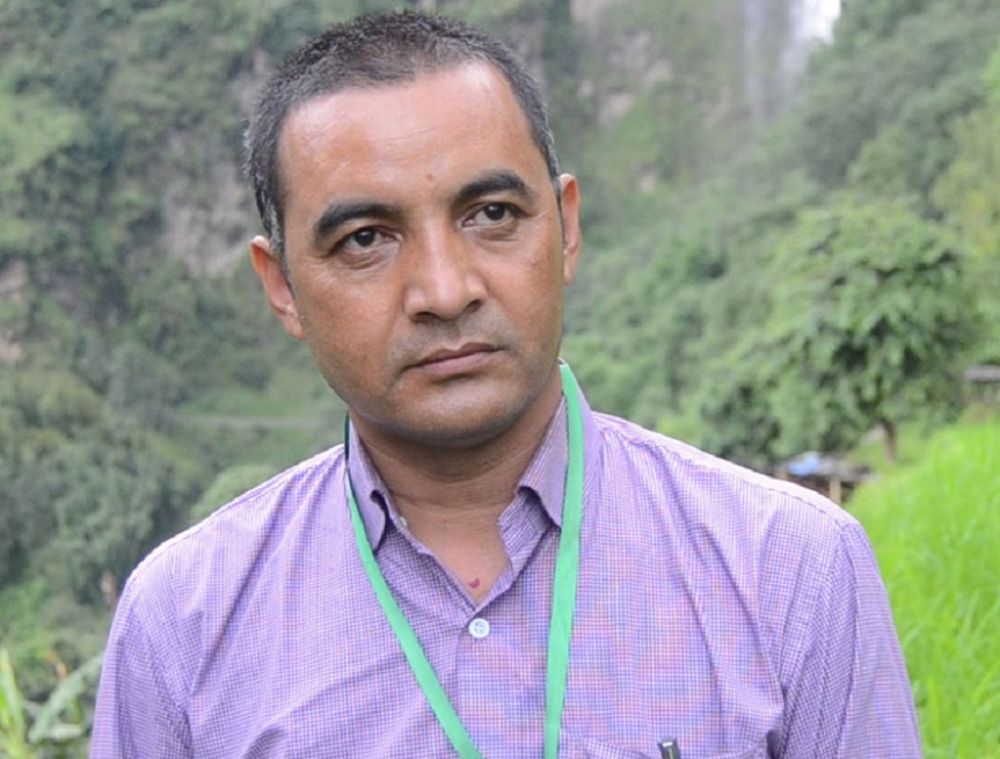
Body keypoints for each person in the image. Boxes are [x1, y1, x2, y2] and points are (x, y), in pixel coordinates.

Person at [91, 10, 921, 758]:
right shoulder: (183, 625)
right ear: (281, 287)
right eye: (366, 238)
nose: (445, 290)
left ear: (566, 227)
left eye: (491, 215)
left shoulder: (795, 570)